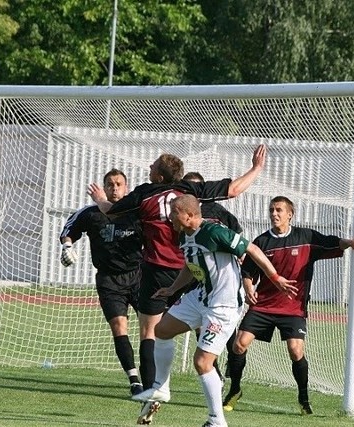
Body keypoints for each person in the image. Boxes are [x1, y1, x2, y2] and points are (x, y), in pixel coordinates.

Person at [87, 144, 267, 425]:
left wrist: (100, 200)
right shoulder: (189, 190)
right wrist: (256, 169)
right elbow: (233, 190)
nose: (148, 169)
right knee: (176, 332)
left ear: (158, 175)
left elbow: (111, 211)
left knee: (151, 332)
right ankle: (192, 383)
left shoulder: (145, 193)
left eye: (152, 166)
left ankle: (156, 387)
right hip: (191, 273)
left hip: (162, 270)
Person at [131, 195, 297, 427]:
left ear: (189, 215)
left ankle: (217, 421)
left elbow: (251, 249)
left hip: (223, 306)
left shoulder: (214, 231)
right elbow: (191, 267)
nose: (169, 217)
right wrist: (172, 289)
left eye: (174, 212)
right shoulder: (183, 235)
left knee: (202, 361)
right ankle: (161, 388)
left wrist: (274, 276)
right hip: (200, 297)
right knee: (162, 330)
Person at [222, 195, 354, 415]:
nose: (274, 213)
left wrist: (351, 242)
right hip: (264, 305)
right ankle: (234, 389)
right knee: (239, 344)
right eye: (272, 210)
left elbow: (333, 242)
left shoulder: (306, 237)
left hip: (293, 308)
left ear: (290, 214)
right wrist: (248, 287)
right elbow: (248, 272)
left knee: (295, 350)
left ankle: (303, 397)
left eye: (279, 210)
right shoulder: (261, 242)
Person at [60, 168, 144, 396]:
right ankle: (134, 380)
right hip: (109, 280)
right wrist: (67, 246)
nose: (114, 188)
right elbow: (69, 230)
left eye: (119, 184)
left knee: (151, 329)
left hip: (138, 276)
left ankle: (154, 379)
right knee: (119, 327)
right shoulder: (90, 213)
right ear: (104, 188)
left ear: (126, 187)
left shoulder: (136, 212)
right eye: (110, 184)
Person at [182, 171, 242, 384]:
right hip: (195, 278)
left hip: (221, 284)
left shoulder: (218, 213)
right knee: (198, 325)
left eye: (198, 188)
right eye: (189, 188)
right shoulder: (183, 216)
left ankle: (233, 373)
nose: (194, 193)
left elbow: (238, 240)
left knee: (229, 334)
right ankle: (212, 371)